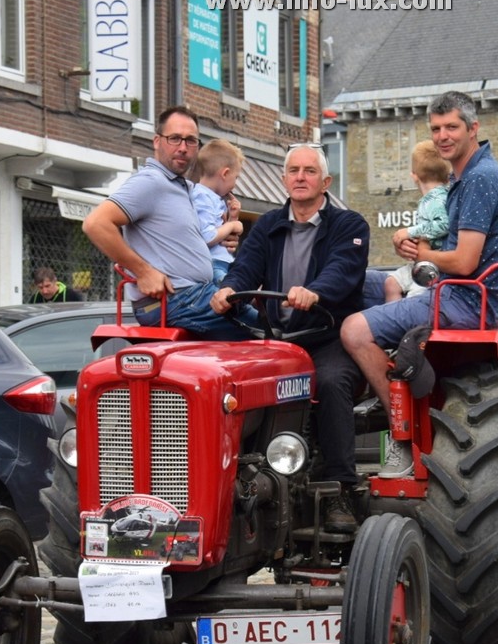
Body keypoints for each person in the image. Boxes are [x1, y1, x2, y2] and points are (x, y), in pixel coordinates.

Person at [342, 90, 498, 478]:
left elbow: (465, 261)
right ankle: (366, 389)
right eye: (436, 128)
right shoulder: (462, 177)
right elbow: (445, 249)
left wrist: (421, 252)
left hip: (464, 302)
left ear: (474, 128)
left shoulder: (480, 179)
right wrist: (415, 246)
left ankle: (400, 432)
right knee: (349, 286)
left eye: (451, 127)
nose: (442, 136)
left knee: (353, 329)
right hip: (451, 290)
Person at [210, 144, 369, 531]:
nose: (300, 177)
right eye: (294, 170)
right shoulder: (267, 225)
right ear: (284, 180)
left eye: (309, 171)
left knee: (332, 382)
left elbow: (342, 270)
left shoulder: (349, 226)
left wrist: (315, 292)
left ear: (325, 181)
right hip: (279, 339)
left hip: (328, 335)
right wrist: (229, 289)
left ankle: (340, 491)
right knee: (228, 384)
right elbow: (245, 268)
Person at [82, 106, 248, 340]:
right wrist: (143, 272)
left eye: (191, 141)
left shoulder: (184, 188)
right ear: (157, 141)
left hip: (194, 296)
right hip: (176, 300)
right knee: (267, 330)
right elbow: (95, 223)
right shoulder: (151, 182)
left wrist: (226, 232)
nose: (182, 147)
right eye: (175, 139)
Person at [384, 140, 450, 302]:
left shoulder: (437, 199)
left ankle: (400, 320)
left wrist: (410, 231)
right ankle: (394, 317)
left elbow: (443, 224)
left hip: (434, 266)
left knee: (415, 295)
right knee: (391, 283)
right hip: (424, 261)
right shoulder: (431, 199)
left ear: (414, 175)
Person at [191, 138, 245, 283]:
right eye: (236, 177)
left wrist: (232, 218)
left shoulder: (212, 197)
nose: (235, 184)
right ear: (225, 173)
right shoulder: (201, 196)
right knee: (233, 295)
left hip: (222, 263)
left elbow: (222, 239)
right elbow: (207, 236)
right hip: (214, 265)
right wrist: (232, 225)